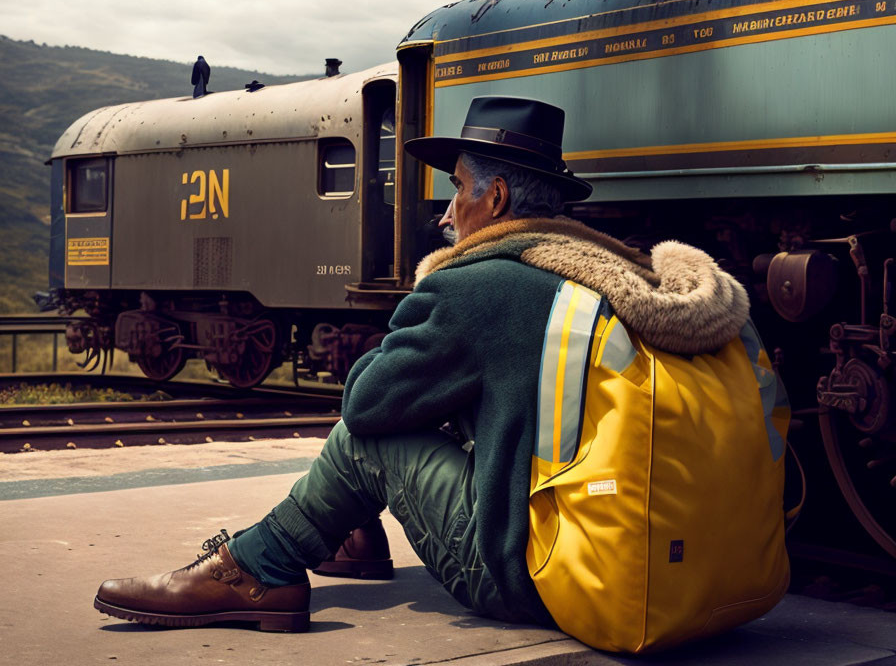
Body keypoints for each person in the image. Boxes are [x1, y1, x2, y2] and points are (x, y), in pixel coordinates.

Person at [93, 96, 752, 633]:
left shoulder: (485, 285)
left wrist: (427, 301)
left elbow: (367, 403)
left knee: (365, 440)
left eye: (458, 189)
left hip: (536, 575)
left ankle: (256, 569)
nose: (445, 213)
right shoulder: (619, 276)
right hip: (688, 569)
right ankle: (344, 538)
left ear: (494, 202)